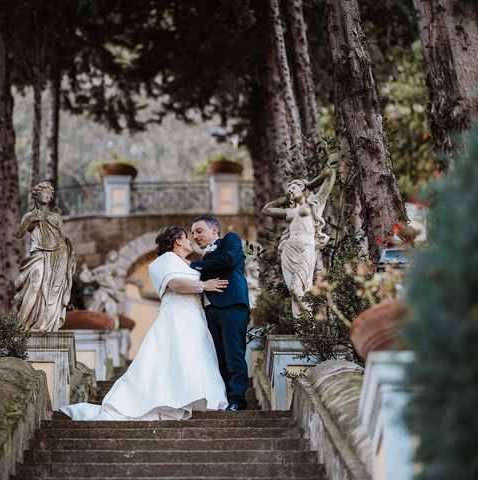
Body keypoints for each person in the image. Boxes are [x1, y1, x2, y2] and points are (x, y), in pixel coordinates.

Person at [60, 226, 229, 420]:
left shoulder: (189, 263)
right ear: (178, 240)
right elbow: (174, 284)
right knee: (175, 357)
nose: (191, 241)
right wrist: (203, 285)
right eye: (187, 237)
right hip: (177, 316)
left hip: (195, 315)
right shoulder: (166, 260)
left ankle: (192, 397)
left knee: (193, 357)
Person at [189, 214, 251, 412]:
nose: (195, 236)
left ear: (214, 230)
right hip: (209, 310)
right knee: (218, 357)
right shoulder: (205, 256)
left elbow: (228, 260)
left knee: (234, 355)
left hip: (232, 305)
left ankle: (237, 401)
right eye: (192, 234)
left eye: (199, 231)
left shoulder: (230, 240)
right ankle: (223, 399)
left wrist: (194, 266)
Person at [261, 168, 335, 316]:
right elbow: (266, 209)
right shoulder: (289, 211)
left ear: (302, 188)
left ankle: (308, 322)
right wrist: (288, 197)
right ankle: (303, 327)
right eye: (288, 190)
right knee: (294, 291)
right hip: (289, 250)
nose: (290, 191)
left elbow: (330, 173)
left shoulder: (314, 204)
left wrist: (309, 184)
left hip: (306, 248)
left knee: (296, 288)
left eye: (293, 188)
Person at [14, 182, 75, 331]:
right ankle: (20, 325)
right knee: (36, 284)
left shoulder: (55, 216)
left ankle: (44, 324)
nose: (48, 195)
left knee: (52, 292)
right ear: (36, 195)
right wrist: (30, 220)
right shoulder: (30, 216)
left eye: (50, 193)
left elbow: (63, 237)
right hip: (39, 254)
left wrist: (69, 257)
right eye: (44, 192)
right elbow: (19, 233)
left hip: (58, 254)